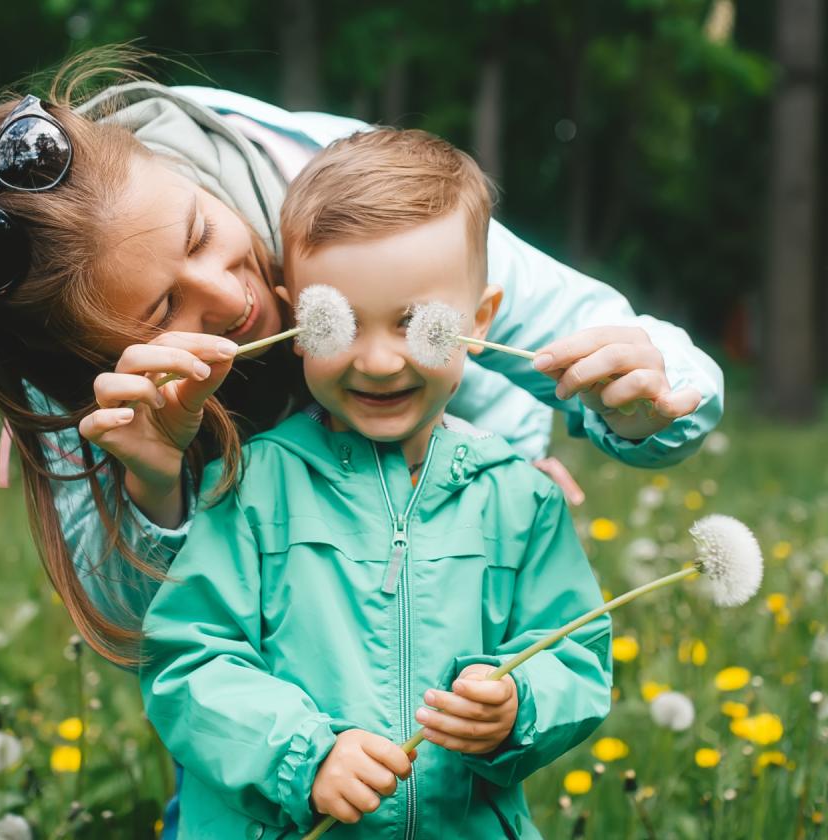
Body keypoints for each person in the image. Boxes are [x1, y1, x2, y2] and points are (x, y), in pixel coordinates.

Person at [0, 48, 723, 672]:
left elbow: (625, 345)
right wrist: (154, 484)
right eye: (163, 311)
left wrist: (643, 407)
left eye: (200, 233)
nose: (227, 300)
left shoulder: (343, 190)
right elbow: (145, 633)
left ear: (182, 174)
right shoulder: (67, 370)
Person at [141, 127, 611, 839]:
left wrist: (520, 707)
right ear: (297, 323)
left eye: (419, 324)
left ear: (480, 321)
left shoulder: (521, 501)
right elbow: (192, 658)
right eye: (338, 323)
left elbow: (574, 654)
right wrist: (307, 759)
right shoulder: (248, 487)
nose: (380, 361)